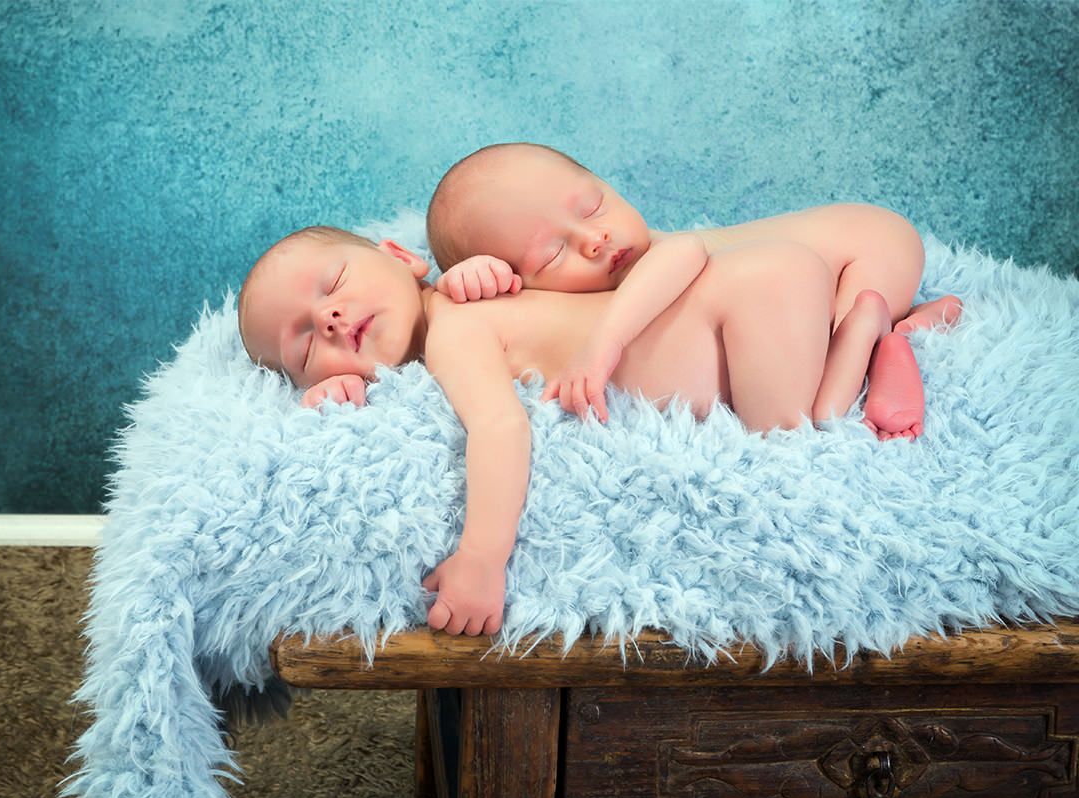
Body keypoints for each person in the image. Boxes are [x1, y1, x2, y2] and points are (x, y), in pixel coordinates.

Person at [238, 224, 916, 636]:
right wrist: (344, 384)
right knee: (797, 413)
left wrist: (481, 558)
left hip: (744, 305)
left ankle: (866, 331)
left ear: (403, 256)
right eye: (305, 346)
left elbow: (501, 428)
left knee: (803, 435)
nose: (328, 318)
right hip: (754, 284)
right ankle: (866, 328)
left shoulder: (456, 328)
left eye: (333, 283)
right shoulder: (465, 298)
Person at [426, 142, 962, 439]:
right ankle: (890, 322)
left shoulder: (659, 254)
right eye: (552, 255)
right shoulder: (538, 302)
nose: (596, 239)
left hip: (869, 249)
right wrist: (471, 280)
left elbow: (683, 255)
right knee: (806, 333)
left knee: (815, 405)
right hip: (811, 280)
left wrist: (603, 342)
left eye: (592, 208)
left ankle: (877, 327)